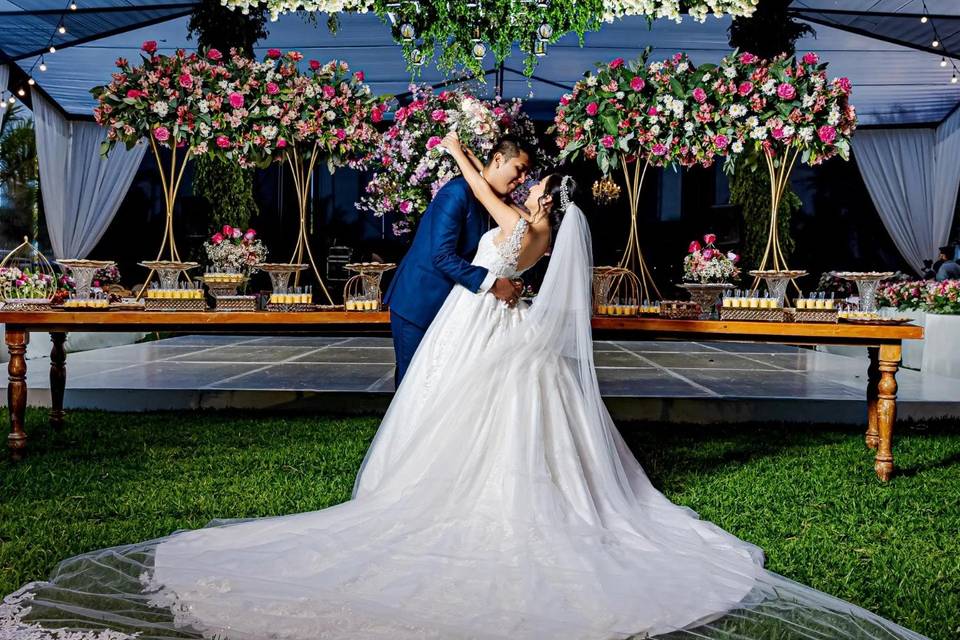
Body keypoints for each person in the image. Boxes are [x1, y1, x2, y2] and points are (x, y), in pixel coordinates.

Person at [0, 136, 929, 640]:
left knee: (482, 429)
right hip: (484, 329)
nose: (521, 191)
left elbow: (491, 232)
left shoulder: (529, 226)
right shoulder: (525, 220)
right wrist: (464, 169)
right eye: (517, 181)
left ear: (542, 204)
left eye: (529, 187)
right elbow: (474, 238)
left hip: (492, 330)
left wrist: (463, 164)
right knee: (454, 420)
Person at [382, 135, 532, 384]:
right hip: (419, 302)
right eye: (519, 169)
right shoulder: (457, 192)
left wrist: (509, 281)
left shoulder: (492, 201)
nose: (523, 179)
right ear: (498, 159)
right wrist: (495, 284)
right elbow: (442, 256)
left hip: (454, 308)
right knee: (413, 384)